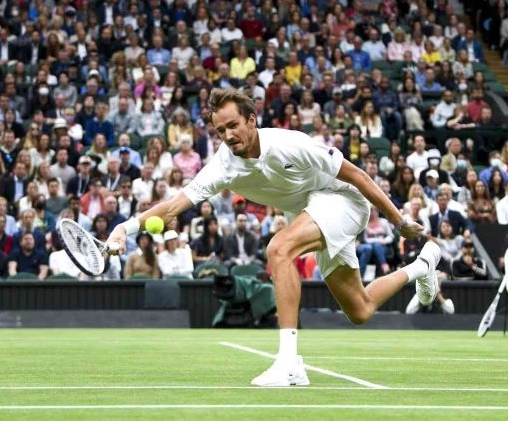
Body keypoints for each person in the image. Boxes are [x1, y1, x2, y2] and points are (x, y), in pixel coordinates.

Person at [106, 89, 434, 387]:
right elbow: (172, 206)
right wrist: (124, 229)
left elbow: (359, 176)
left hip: (343, 201)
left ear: (251, 120)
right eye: (220, 131)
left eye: (233, 125)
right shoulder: (222, 166)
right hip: (309, 213)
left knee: (279, 248)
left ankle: (289, 363)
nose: (228, 135)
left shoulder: (290, 143)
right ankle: (423, 265)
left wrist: (399, 222)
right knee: (359, 309)